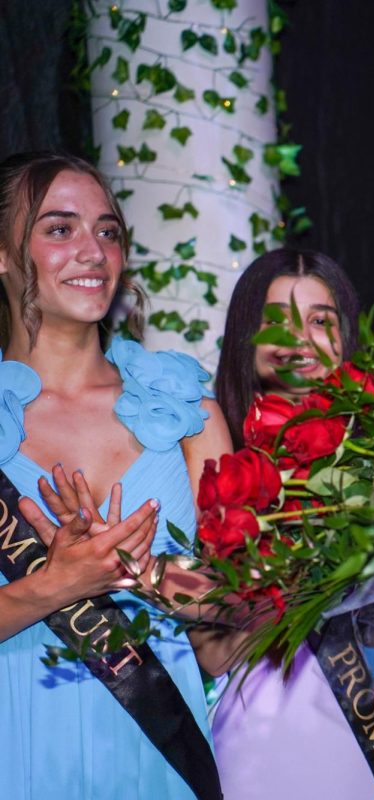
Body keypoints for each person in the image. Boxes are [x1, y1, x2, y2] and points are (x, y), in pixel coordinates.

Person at [0, 151, 229, 799]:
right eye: (58, 228)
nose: (93, 250)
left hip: (159, 755)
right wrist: (56, 586)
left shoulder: (187, 411)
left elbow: (233, 613)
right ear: (3, 253)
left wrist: (147, 574)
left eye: (108, 231)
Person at [203, 248, 374, 799]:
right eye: (276, 320)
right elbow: (208, 650)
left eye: (320, 321)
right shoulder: (214, 463)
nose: (299, 339)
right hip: (261, 734)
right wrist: (310, 557)